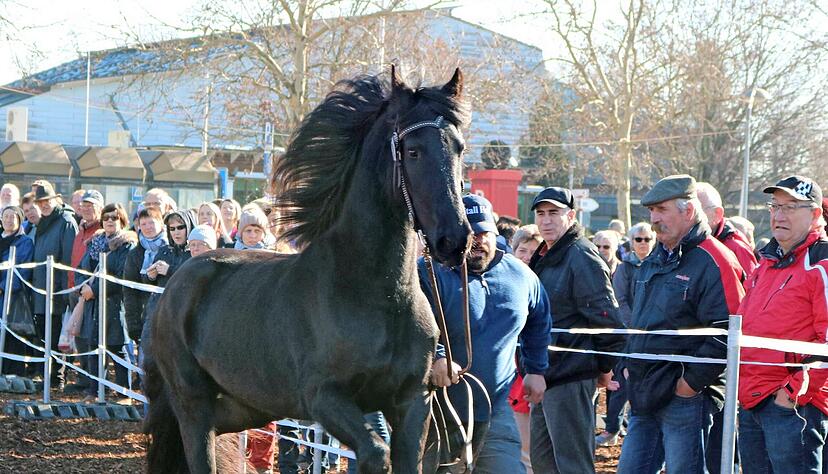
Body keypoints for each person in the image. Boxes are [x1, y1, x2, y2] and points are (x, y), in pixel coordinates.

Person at [617, 175, 745, 474]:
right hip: (644, 390)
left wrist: (688, 385)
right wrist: (628, 363)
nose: (653, 219)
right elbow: (639, 321)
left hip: (686, 397)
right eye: (651, 211)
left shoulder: (717, 259)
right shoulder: (654, 259)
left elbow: (728, 330)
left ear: (688, 211)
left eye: (661, 210)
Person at [420, 194, 552, 474]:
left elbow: (539, 321)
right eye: (467, 233)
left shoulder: (521, 277)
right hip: (436, 411)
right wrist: (437, 357)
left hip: (495, 409)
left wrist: (536, 369)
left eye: (482, 232)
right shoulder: (428, 273)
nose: (475, 241)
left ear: (494, 231)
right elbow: (410, 324)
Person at [528, 186, 625, 474]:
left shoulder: (582, 256)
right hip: (544, 376)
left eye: (554, 213)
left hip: (570, 377)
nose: (546, 220)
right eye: (541, 213)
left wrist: (604, 369)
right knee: (543, 463)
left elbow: (609, 322)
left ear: (570, 215)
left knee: (573, 467)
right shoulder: (547, 254)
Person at [737, 176, 828, 474]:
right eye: (775, 206)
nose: (779, 215)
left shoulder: (821, 262)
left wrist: (790, 396)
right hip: (752, 399)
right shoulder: (766, 262)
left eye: (791, 207)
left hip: (793, 406)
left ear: (815, 214)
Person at [595, 222, 656, 447]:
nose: (642, 243)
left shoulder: (658, 265)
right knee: (621, 383)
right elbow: (620, 300)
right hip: (629, 334)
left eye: (647, 239)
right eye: (638, 239)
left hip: (653, 334)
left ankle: (639, 428)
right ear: (630, 242)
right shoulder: (625, 268)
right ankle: (612, 428)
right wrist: (635, 328)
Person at [76, 203, 137, 403]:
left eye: (115, 217)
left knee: (117, 347)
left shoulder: (127, 245)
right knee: (94, 346)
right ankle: (94, 391)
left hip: (115, 304)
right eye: (106, 217)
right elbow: (82, 268)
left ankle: (123, 393)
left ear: (123, 220)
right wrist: (83, 287)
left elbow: (122, 277)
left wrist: (94, 291)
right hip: (93, 304)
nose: (110, 221)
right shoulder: (95, 242)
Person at [30, 181, 79, 388]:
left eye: (47, 201)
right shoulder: (43, 223)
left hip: (57, 290)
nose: (44, 205)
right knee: (44, 334)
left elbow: (69, 258)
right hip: (41, 288)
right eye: (40, 202)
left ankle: (58, 377)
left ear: (55, 199)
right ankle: (47, 375)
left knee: (58, 335)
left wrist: (63, 290)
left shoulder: (66, 221)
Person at [140, 209, 197, 353]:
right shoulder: (164, 250)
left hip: (182, 316)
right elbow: (148, 282)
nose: (176, 232)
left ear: (189, 227)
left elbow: (193, 280)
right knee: (148, 358)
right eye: (172, 229)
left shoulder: (195, 252)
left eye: (180, 227)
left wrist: (169, 270)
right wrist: (151, 275)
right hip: (157, 313)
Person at [123, 207, 166, 347]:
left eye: (151, 223)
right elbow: (130, 291)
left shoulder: (171, 248)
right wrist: (133, 325)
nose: (148, 227)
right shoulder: (135, 254)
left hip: (168, 314)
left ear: (161, 223)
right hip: (145, 316)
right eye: (143, 224)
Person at [697, 182, 758, 279]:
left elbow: (751, 289)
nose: (689, 217)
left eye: (697, 211)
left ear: (717, 214)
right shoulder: (679, 243)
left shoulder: (737, 249)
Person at [0, 205, 35, 376]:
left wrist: (3, 288)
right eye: (5, 216)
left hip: (13, 297)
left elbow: (23, 270)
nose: (8, 220)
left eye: (12, 217)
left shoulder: (25, 241)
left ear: (19, 220)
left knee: (12, 337)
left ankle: (13, 374)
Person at [69, 190, 103, 291]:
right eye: (84, 205)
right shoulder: (80, 233)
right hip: (73, 289)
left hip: (88, 291)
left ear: (100, 209)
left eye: (90, 206)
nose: (86, 209)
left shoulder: (102, 233)